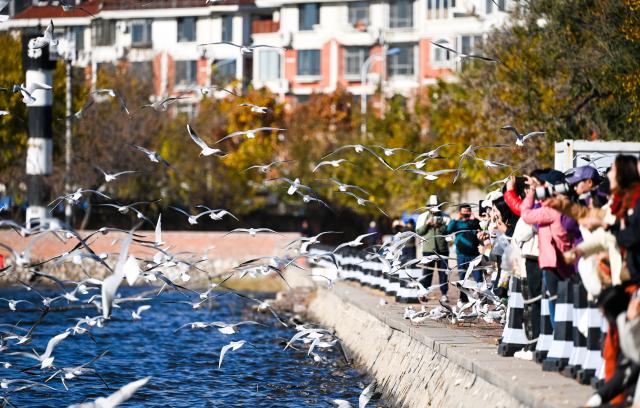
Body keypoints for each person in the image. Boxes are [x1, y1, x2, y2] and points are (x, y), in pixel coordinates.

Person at [520, 170, 574, 327]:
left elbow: (527, 216)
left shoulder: (553, 208)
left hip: (553, 261)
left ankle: (559, 336)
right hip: (559, 259)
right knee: (558, 300)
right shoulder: (561, 205)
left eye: (544, 185)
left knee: (556, 301)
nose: (541, 188)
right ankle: (559, 336)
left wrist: (531, 194)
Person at [416, 197, 450, 303]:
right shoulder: (422, 217)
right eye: (431, 206)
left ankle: (444, 294)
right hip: (428, 249)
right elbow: (419, 232)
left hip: (442, 249)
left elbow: (449, 231)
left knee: (443, 273)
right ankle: (424, 293)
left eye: (436, 206)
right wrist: (427, 224)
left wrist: (439, 226)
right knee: (427, 273)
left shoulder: (445, 217)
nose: (433, 208)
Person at [447, 204, 481, 305]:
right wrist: (455, 219)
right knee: (463, 277)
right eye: (464, 211)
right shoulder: (457, 224)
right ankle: (463, 298)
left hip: (474, 254)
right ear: (460, 212)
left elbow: (481, 227)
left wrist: (474, 219)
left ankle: (479, 297)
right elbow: (448, 230)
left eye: (467, 211)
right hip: (461, 255)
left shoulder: (474, 222)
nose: (466, 213)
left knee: (478, 277)